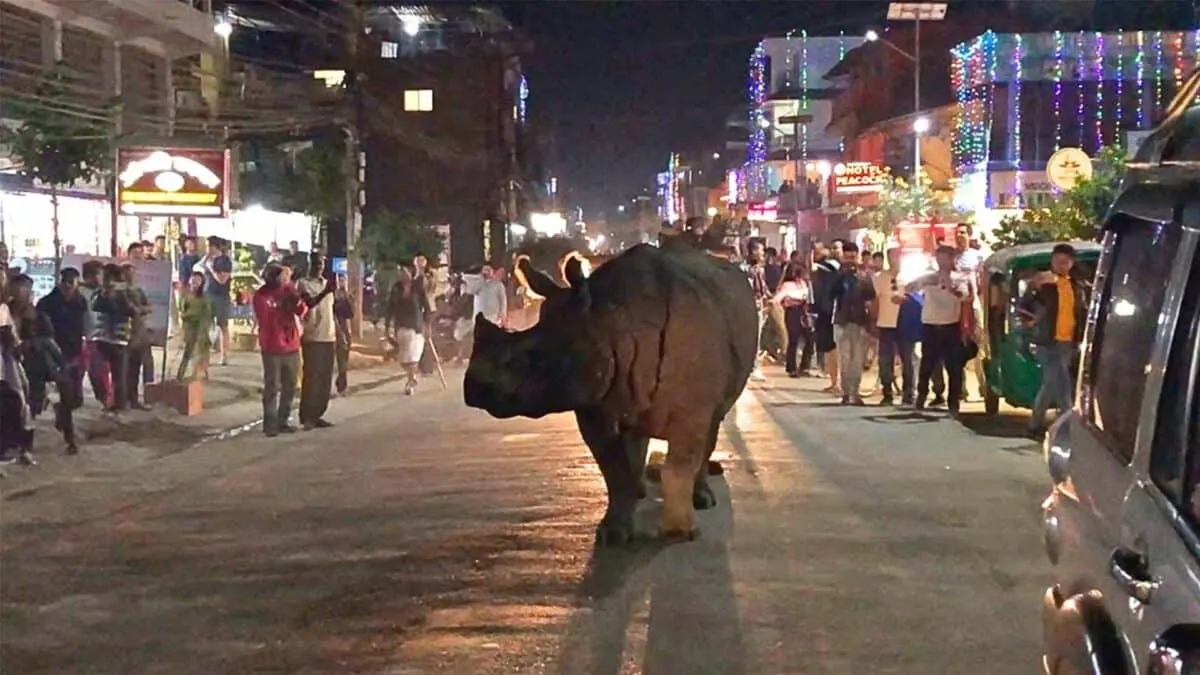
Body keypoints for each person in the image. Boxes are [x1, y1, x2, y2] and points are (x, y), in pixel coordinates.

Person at [1019, 243, 1088, 436]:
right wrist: (1034, 289)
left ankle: (1035, 424)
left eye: (1065, 262)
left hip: (1067, 341)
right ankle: (1069, 426)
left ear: (1072, 263)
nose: (1061, 265)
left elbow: (1081, 312)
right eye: (1058, 261)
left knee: (1050, 383)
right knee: (1062, 382)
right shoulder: (1043, 281)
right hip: (1046, 340)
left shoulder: (1076, 285)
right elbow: (1024, 306)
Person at [907, 245, 972, 415]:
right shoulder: (929, 277)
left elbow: (965, 296)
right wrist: (924, 281)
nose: (942, 262)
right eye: (939, 258)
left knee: (954, 367)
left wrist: (951, 287)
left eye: (946, 258)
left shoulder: (960, 277)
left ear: (952, 260)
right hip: (930, 325)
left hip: (951, 326)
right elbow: (909, 288)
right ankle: (921, 397)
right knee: (927, 364)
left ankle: (953, 402)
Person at [253, 263, 307, 437]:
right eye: (277, 276)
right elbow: (266, 316)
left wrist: (296, 298)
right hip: (271, 346)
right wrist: (284, 302)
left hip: (291, 344)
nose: (280, 279)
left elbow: (301, 310)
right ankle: (270, 423)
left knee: (290, 385)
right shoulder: (261, 295)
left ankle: (283, 420)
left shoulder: (288, 289)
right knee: (272, 386)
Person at [829, 243, 876, 405]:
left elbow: (871, 299)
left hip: (860, 322)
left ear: (858, 256)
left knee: (857, 359)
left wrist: (872, 322)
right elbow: (829, 296)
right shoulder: (837, 276)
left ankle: (854, 392)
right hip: (842, 321)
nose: (850, 261)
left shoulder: (865, 276)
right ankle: (846, 392)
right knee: (844, 358)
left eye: (853, 257)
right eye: (847, 257)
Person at [36, 267, 88, 412]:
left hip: (74, 349)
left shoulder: (80, 302)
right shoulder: (47, 302)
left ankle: (63, 414)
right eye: (65, 281)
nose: (68, 285)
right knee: (63, 388)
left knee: (75, 397)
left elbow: (84, 326)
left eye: (71, 282)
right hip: (52, 350)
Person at [297, 251, 337, 430]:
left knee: (324, 378)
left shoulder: (327, 284)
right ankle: (307, 416)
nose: (319, 268)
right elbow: (309, 303)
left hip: (329, 336)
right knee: (312, 377)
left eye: (321, 264)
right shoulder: (303, 284)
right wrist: (326, 292)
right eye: (315, 264)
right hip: (312, 337)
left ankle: (318, 413)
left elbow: (331, 310)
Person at [93, 263, 138, 413]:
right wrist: (106, 293)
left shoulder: (126, 294)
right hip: (102, 338)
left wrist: (122, 296)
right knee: (97, 372)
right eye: (106, 279)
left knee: (119, 376)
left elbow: (134, 312)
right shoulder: (99, 294)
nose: (110, 283)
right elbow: (95, 306)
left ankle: (119, 407)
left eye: (112, 280)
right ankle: (105, 402)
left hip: (120, 340)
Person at [872, 248, 914, 405]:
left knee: (907, 359)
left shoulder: (909, 277)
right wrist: (874, 321)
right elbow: (875, 301)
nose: (894, 260)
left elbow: (917, 298)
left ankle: (909, 393)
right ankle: (887, 392)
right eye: (891, 258)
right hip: (886, 323)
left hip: (905, 323)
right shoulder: (879, 278)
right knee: (885, 360)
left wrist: (905, 299)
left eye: (897, 257)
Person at [386, 267, 430, 395]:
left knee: (413, 355)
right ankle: (412, 376)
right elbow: (390, 307)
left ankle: (411, 381)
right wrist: (387, 325)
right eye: (400, 272)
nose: (402, 274)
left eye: (405, 271)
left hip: (416, 327)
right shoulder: (396, 289)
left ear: (411, 273)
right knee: (403, 358)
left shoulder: (418, 288)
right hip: (401, 326)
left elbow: (426, 308)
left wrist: (428, 325)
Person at [772, 262, 814, 378]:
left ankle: (805, 366)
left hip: (804, 311)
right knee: (793, 339)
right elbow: (777, 299)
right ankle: (792, 368)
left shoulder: (804, 284)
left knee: (810, 339)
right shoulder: (787, 285)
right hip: (792, 311)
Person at [78, 260, 110, 408]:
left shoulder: (103, 292)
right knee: (77, 373)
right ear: (89, 276)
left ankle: (105, 401)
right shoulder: (78, 293)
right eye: (99, 274)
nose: (101, 278)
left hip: (99, 338)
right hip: (80, 339)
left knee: (100, 373)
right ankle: (76, 402)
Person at [811, 242, 841, 394]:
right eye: (833, 247)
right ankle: (834, 382)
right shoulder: (826, 268)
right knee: (829, 349)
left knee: (836, 349)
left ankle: (839, 383)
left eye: (837, 247)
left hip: (836, 314)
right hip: (825, 312)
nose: (834, 250)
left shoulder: (835, 268)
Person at [123, 262, 154, 403]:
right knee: (131, 369)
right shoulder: (121, 291)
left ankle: (149, 396)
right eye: (127, 273)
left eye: (132, 273)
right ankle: (132, 398)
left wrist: (140, 310)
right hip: (127, 333)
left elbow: (149, 307)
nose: (131, 276)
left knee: (147, 366)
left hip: (141, 331)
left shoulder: (138, 290)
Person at [177, 271, 214, 380]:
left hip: (201, 328)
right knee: (187, 353)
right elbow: (182, 312)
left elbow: (208, 314)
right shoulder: (185, 295)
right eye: (193, 279)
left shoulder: (204, 298)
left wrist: (204, 328)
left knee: (200, 352)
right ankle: (180, 375)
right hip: (189, 328)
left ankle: (197, 375)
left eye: (198, 280)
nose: (195, 282)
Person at [203, 237, 233, 366]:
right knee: (205, 326)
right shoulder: (207, 259)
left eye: (208, 246)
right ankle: (205, 356)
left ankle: (224, 355)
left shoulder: (225, 260)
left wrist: (211, 269)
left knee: (223, 326)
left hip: (221, 296)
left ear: (214, 247)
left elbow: (223, 280)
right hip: (208, 295)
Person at [744, 239, 769, 382]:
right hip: (753, 307)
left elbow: (763, 289)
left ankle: (753, 367)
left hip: (759, 306)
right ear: (753, 252)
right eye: (760, 250)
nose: (762, 253)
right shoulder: (749, 270)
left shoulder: (759, 269)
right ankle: (752, 368)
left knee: (756, 338)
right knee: (753, 338)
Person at [333, 273, 353, 396]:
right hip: (335, 327)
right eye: (340, 280)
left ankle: (341, 383)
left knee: (344, 358)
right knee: (339, 358)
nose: (342, 283)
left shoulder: (346, 295)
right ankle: (341, 384)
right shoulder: (332, 296)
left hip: (345, 327)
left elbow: (351, 314)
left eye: (344, 280)